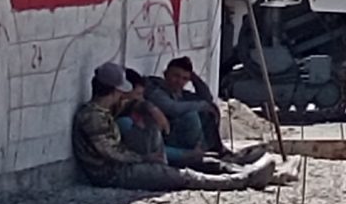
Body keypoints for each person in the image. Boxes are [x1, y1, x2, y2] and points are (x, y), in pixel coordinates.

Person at [76, 63, 287, 191]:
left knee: (190, 164)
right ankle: (241, 181)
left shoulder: (105, 110)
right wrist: (146, 159)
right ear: (114, 92)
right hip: (112, 174)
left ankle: (241, 172)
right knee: (181, 176)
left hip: (126, 164)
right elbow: (113, 153)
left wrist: (148, 107)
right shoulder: (92, 117)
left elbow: (132, 106)